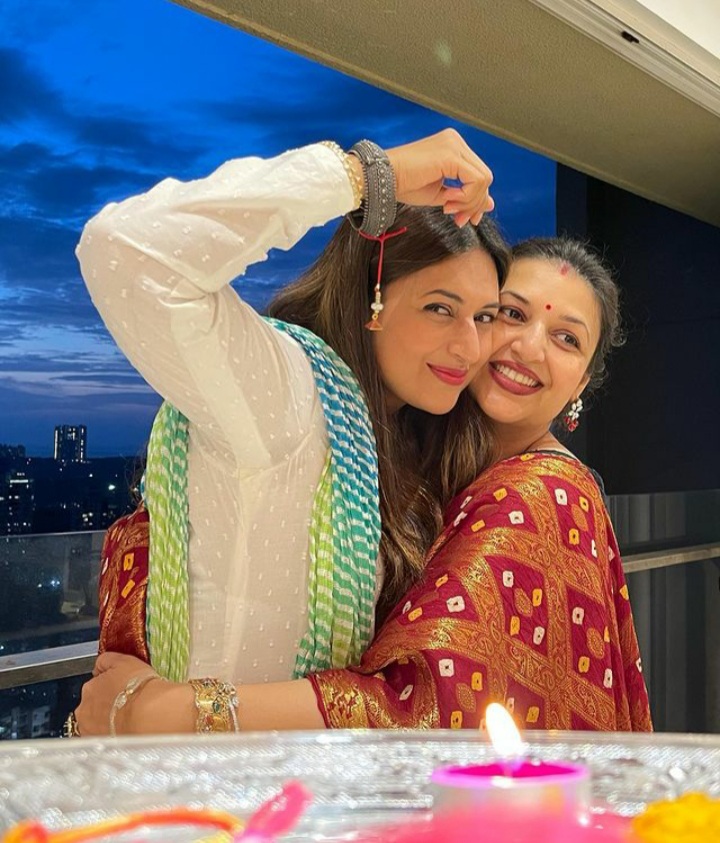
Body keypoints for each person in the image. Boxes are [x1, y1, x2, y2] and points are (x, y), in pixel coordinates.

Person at [75, 236, 652, 735]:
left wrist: (168, 710)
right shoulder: (403, 451)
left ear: (583, 381)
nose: (528, 347)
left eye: (567, 338)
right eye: (509, 314)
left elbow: (427, 704)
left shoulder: (541, 493)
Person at [74, 129, 508, 706]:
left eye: (484, 317)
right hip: (209, 759)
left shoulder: (411, 441)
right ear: (370, 298)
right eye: (439, 308)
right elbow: (125, 249)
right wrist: (367, 176)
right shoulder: (291, 395)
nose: (469, 347)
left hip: (319, 762)